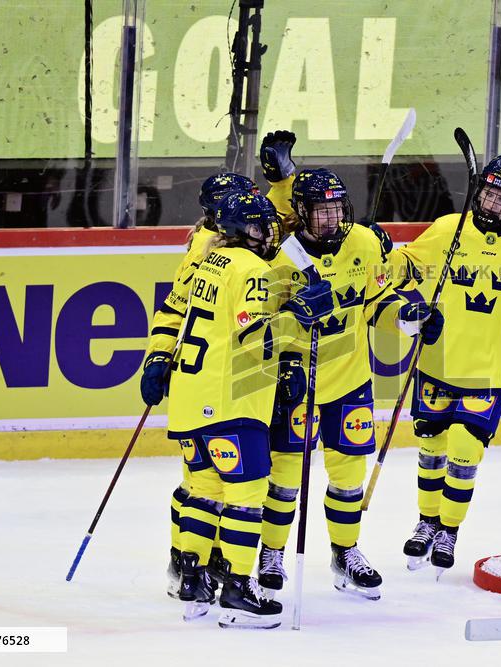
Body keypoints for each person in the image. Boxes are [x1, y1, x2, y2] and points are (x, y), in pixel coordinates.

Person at [253, 132, 443, 601]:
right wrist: (295, 316)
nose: (334, 218)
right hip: (297, 384)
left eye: (339, 209)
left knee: (348, 478)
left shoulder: (362, 243)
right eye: (322, 211)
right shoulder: (279, 257)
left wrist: (408, 317)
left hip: (351, 384)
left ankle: (345, 552)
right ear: (300, 212)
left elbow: (376, 299)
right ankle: (270, 553)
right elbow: (260, 326)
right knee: (282, 481)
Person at [150, 192, 333, 628]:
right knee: (247, 497)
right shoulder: (253, 270)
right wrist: (300, 316)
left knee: (204, 491)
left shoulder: (206, 263)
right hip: (231, 400)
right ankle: (236, 585)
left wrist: (291, 303)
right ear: (239, 232)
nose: (269, 232)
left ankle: (192, 580)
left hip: (191, 400)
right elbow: (257, 342)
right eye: (259, 226)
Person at [388, 155, 501, 574]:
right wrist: (380, 248)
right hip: (438, 358)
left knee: (465, 452)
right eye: (490, 194)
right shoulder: (448, 228)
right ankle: (426, 522)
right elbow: (407, 264)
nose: (495, 204)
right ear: (479, 190)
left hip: (490, 368)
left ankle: (449, 529)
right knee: (430, 449)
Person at [140, 171, 260, 598]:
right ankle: (190, 564)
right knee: (207, 485)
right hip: (226, 386)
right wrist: (158, 354)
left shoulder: (243, 236)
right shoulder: (208, 247)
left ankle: (195, 570)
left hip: (214, 387)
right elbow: (176, 309)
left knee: (204, 483)